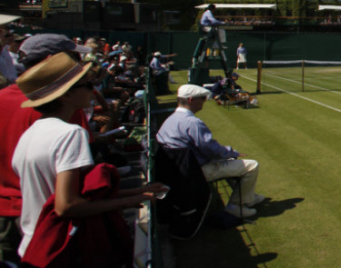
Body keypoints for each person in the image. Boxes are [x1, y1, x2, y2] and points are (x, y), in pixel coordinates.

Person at [12, 53, 165, 260]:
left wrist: (139, 192)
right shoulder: (70, 133)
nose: (92, 90)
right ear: (66, 95)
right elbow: (67, 206)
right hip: (61, 247)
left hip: (35, 244)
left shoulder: (29, 134)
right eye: (87, 85)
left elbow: (70, 195)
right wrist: (129, 201)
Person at [156, 85, 264, 218]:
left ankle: (248, 196)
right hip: (195, 171)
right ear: (191, 99)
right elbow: (212, 150)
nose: (204, 101)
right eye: (202, 98)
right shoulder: (192, 122)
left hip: (179, 170)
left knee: (230, 162)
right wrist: (232, 152)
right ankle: (235, 206)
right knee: (252, 166)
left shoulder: (170, 120)